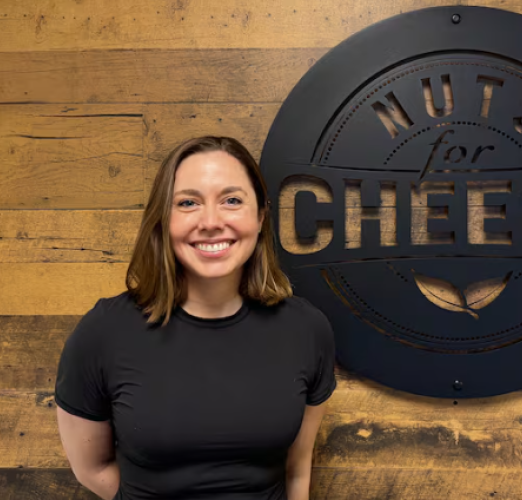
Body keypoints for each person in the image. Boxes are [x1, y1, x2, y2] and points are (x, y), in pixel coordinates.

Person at [54, 136, 337, 500]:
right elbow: (91, 469)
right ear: (163, 218)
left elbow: (297, 470)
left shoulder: (307, 330)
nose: (210, 222)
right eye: (188, 203)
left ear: (261, 216)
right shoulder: (104, 332)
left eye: (232, 201)